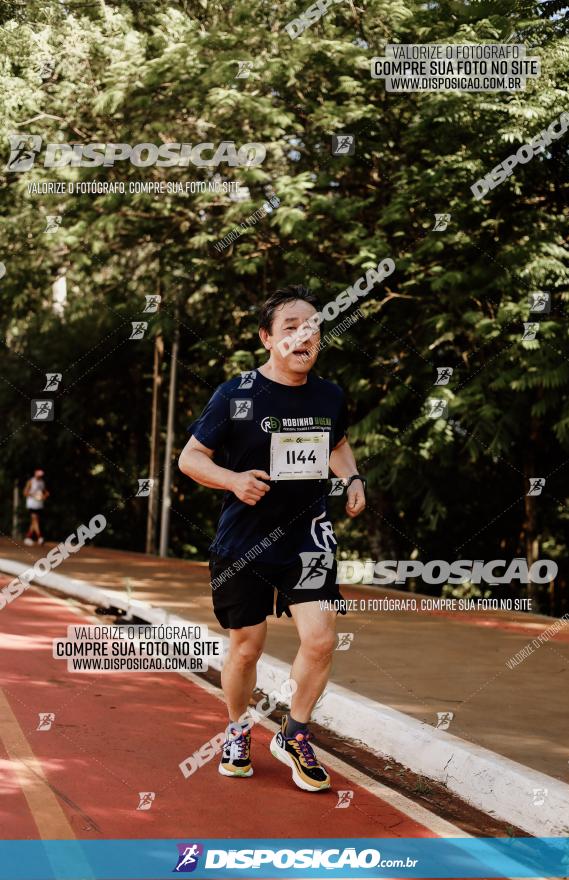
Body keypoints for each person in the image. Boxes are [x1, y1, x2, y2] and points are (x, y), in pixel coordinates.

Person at [178, 285, 366, 792]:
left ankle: (295, 733)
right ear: (267, 338)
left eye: (313, 327)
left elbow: (339, 444)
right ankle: (239, 728)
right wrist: (234, 480)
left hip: (308, 536)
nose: (304, 336)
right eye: (291, 327)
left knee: (322, 638)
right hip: (244, 542)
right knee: (246, 648)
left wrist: (350, 478)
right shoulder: (235, 394)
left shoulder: (330, 395)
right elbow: (190, 458)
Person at [23, 469, 49, 546]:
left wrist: (44, 496)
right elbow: (25, 492)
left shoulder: (42, 482)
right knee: (35, 520)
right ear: (35, 474)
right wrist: (34, 495)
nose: (40, 476)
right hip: (31, 504)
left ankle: (28, 537)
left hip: (39, 504)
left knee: (34, 522)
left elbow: (45, 492)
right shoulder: (31, 481)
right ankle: (40, 537)